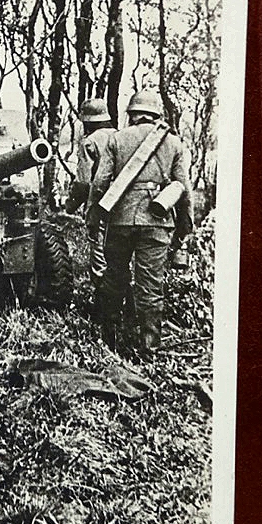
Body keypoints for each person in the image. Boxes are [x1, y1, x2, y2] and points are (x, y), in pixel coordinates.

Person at [90, 90, 193, 356]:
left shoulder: (116, 139)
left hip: (121, 219)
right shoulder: (173, 142)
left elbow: (100, 183)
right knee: (150, 285)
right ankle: (148, 348)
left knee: (114, 278)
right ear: (156, 114)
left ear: (132, 114)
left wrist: (94, 216)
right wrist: (184, 226)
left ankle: (108, 342)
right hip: (157, 221)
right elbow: (184, 188)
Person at [65, 98, 117, 285]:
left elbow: (84, 182)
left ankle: (102, 299)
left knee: (99, 249)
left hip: (101, 201)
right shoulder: (121, 136)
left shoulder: (90, 142)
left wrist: (70, 206)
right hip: (124, 202)